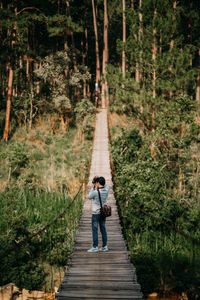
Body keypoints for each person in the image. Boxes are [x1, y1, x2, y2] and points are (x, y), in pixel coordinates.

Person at [87, 176, 109, 252]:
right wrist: (100, 179)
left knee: (95, 229)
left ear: (98, 183)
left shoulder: (95, 192)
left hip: (96, 213)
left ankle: (95, 247)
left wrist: (92, 187)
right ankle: (104, 246)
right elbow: (106, 185)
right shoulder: (106, 190)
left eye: (97, 182)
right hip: (103, 213)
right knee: (103, 229)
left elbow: (89, 197)